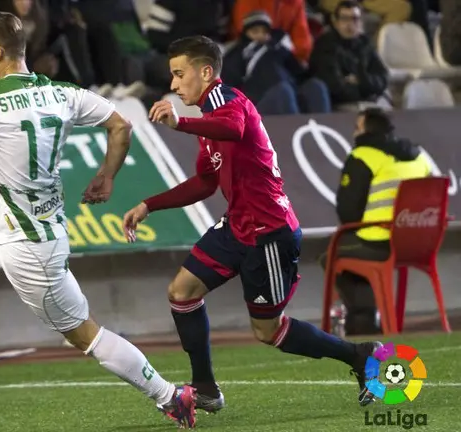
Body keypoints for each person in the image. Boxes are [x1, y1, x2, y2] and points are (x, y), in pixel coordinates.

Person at [0, 12, 197, 428]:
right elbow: (121, 125)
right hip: (17, 226)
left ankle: (171, 396)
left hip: (31, 250)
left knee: (87, 336)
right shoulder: (61, 93)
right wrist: (106, 176)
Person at [121, 35, 382, 416]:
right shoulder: (210, 120)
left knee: (268, 331)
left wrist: (180, 123)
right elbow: (206, 182)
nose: (174, 85)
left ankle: (360, 355)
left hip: (269, 233)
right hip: (236, 225)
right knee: (182, 291)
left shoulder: (230, 103)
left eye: (179, 74)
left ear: (206, 72)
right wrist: (149, 204)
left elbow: (235, 129)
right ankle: (206, 388)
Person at [321, 107, 432, 336]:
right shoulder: (419, 156)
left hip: (377, 242)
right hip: (419, 243)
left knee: (331, 255)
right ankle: (368, 318)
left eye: (356, 127)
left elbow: (348, 212)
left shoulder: (363, 155)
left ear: (366, 130)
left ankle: (365, 318)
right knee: (350, 252)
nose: (353, 133)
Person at [309, 1, 389, 109]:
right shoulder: (325, 45)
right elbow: (335, 87)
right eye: (344, 19)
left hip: (368, 100)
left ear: (360, 22)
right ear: (336, 22)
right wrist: (366, 87)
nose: (350, 24)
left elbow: (383, 78)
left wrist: (359, 79)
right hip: (340, 106)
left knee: (387, 109)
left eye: (354, 19)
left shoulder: (365, 43)